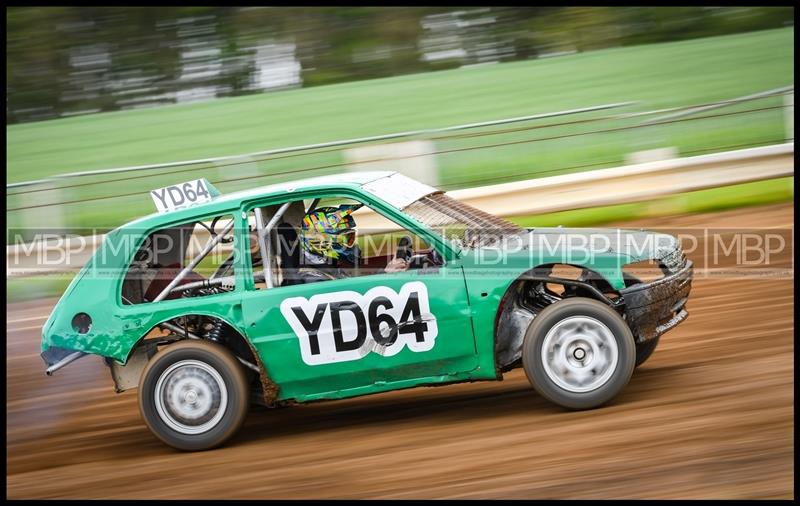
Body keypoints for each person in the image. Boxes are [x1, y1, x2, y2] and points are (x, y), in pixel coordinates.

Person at [298, 204, 408, 282]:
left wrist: (385, 273)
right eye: (346, 238)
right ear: (323, 242)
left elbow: (356, 283)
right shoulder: (313, 279)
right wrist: (385, 276)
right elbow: (352, 301)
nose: (353, 245)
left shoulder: (331, 267)